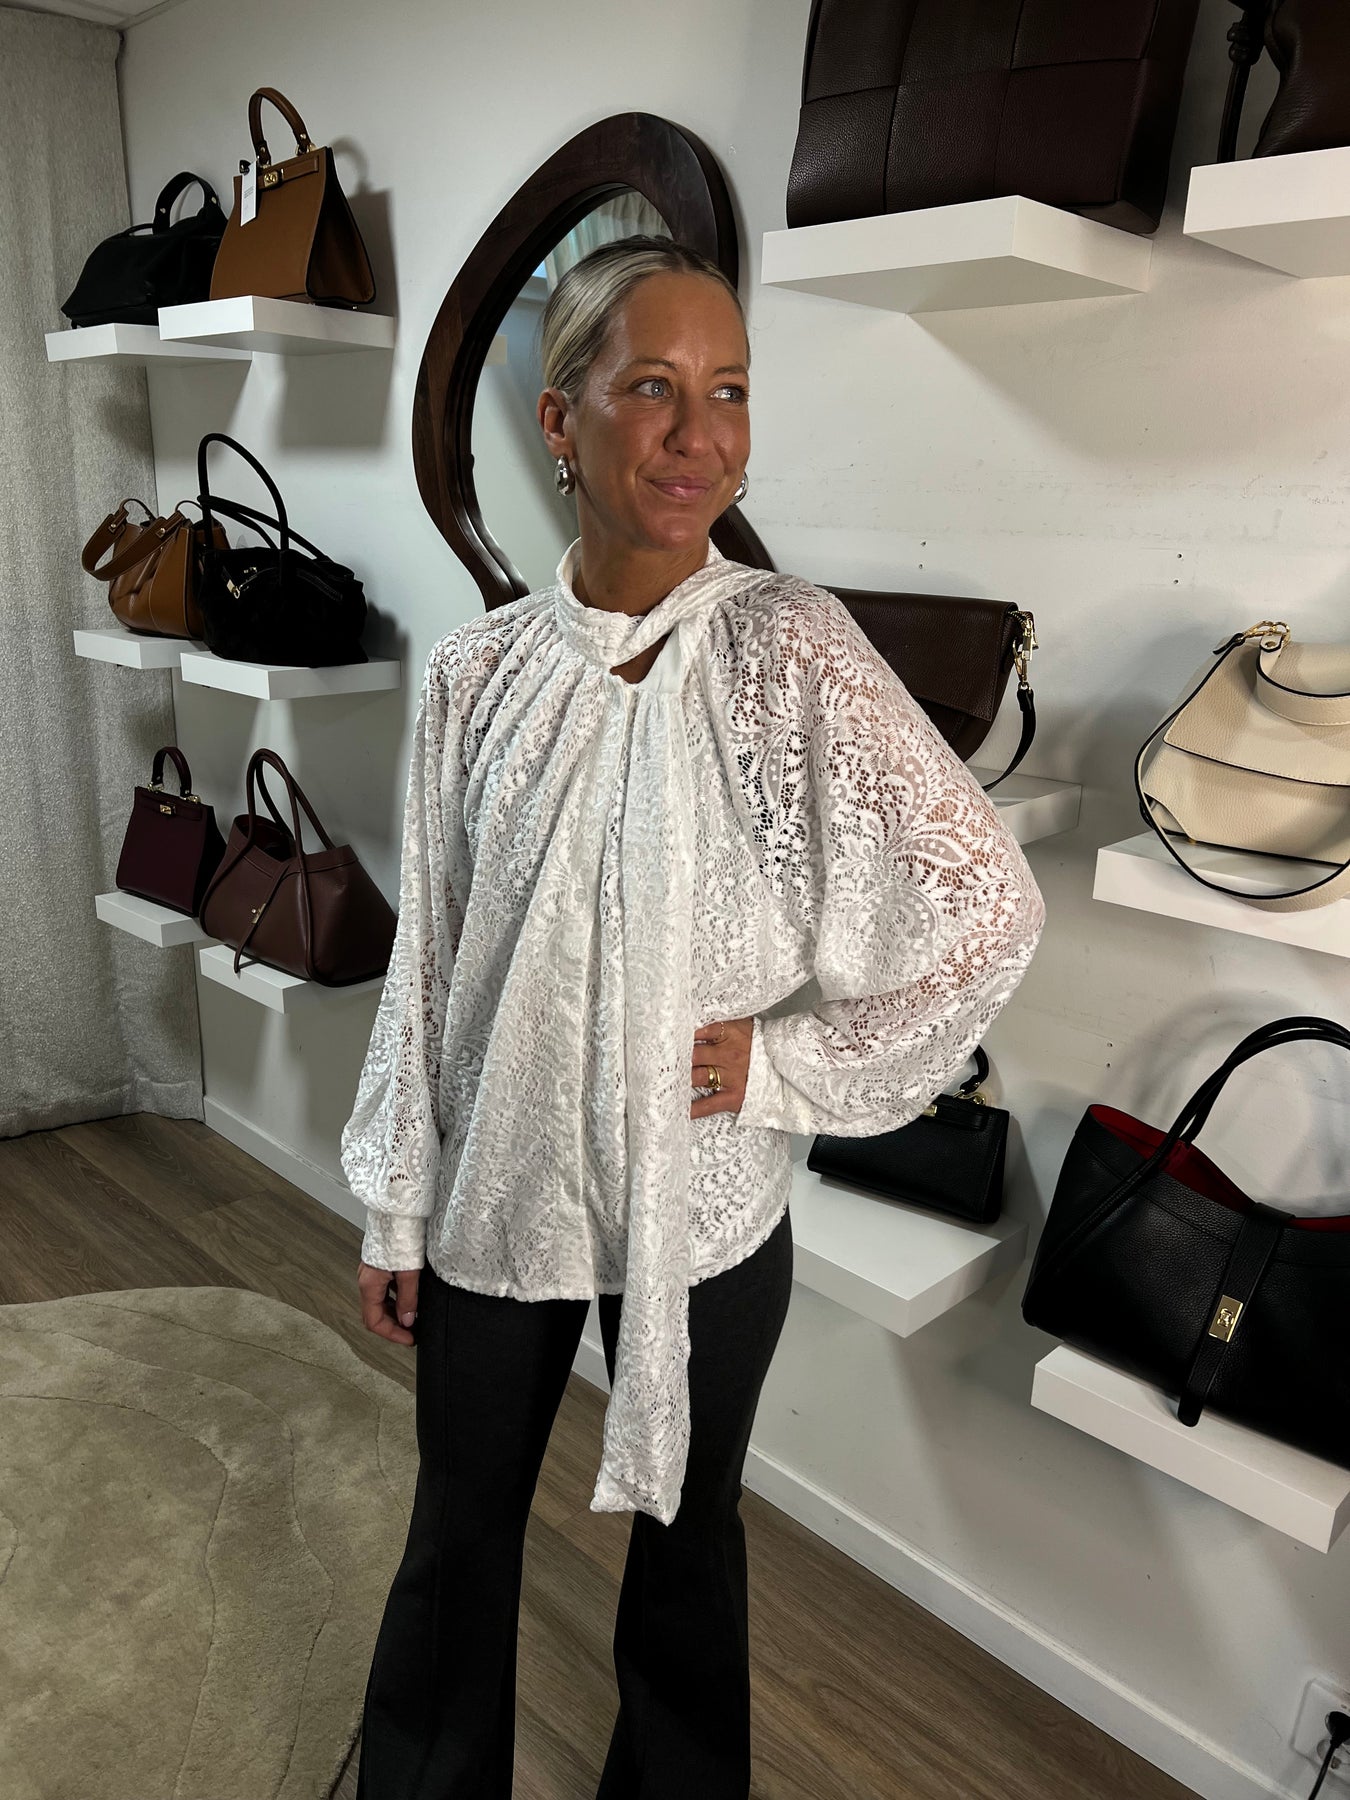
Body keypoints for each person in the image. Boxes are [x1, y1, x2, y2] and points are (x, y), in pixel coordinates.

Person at [340, 234, 1046, 1800]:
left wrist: (786, 1062)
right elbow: (431, 957)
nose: (697, 437)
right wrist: (397, 1199)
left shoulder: (790, 650)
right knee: (457, 1535)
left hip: (703, 1203)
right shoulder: (476, 673)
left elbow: (984, 905)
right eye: (650, 388)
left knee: (686, 1544)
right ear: (559, 418)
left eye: (727, 391)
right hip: (501, 1183)